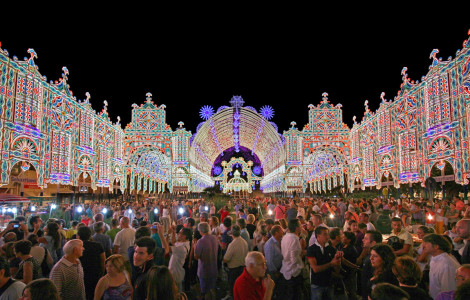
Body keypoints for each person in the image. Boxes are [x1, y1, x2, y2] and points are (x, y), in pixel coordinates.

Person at [307, 226, 342, 300]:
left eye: (328, 234)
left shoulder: (331, 249)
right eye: (325, 234)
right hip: (317, 284)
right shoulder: (311, 249)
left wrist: (338, 261)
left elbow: (337, 270)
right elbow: (315, 269)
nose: (328, 236)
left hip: (329, 283)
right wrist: (331, 264)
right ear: (318, 235)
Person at [422, 233, 461, 299]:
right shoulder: (435, 257)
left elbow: (448, 291)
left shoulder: (446, 264)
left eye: (426, 243)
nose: (423, 246)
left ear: (436, 246)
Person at [77, 226, 105, 300]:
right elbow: (103, 261)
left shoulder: (77, 247)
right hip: (94, 274)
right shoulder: (98, 245)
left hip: (80, 275)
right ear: (90, 235)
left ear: (78, 236)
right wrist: (102, 274)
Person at [279, 219, 304, 300]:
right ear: (297, 228)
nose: (301, 226)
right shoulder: (294, 239)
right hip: (293, 272)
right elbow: (294, 260)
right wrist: (302, 255)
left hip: (285, 268)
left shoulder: (285, 237)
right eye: (300, 225)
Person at [223, 224, 249, 300]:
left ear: (232, 233)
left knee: (233, 287)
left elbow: (226, 259)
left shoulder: (233, 244)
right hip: (242, 267)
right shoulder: (244, 241)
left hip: (234, 269)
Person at [194, 222, 218, 300]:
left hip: (204, 270)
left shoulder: (201, 241)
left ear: (200, 231)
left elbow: (196, 256)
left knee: (204, 291)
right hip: (214, 268)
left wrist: (194, 246)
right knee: (211, 289)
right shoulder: (214, 238)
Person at [357, 230, 382, 300]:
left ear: (373, 243)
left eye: (366, 238)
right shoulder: (369, 254)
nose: (363, 240)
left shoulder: (375, 259)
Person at [167, 226, 191, 292]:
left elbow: (166, 248)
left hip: (176, 272)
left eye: (180, 233)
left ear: (184, 236)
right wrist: (173, 233)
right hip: (176, 270)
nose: (178, 234)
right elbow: (174, 242)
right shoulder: (184, 243)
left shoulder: (182, 247)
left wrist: (167, 235)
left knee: (176, 291)